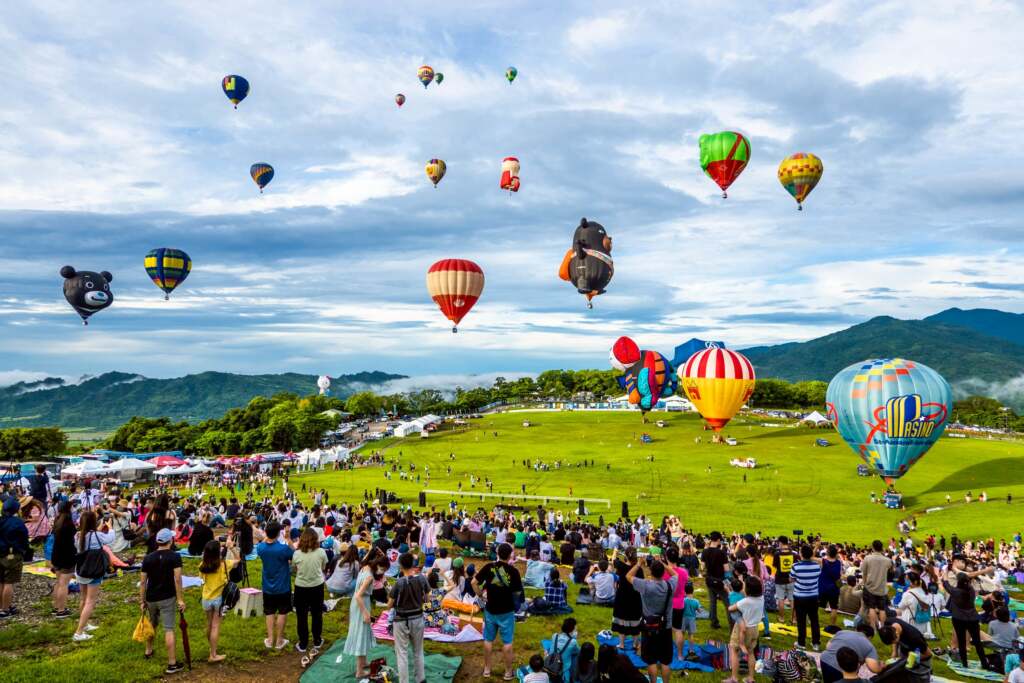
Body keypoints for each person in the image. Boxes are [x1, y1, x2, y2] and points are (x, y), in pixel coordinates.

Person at [473, 542, 524, 680]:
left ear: (497, 554)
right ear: (510, 556)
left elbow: (473, 582)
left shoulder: (489, 567)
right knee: (507, 642)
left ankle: (487, 670)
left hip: (490, 609)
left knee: (488, 639)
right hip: (506, 611)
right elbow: (518, 592)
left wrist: (480, 596)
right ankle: (508, 673)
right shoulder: (514, 572)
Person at [139, 528, 186, 675]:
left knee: (152, 624)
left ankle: (148, 650)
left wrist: (142, 600)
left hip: (151, 597)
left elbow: (142, 582)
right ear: (170, 541)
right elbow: (177, 579)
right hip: (167, 597)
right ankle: (172, 663)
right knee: (168, 629)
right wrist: (180, 599)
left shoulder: (148, 558)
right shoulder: (174, 557)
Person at [626, 557, 677, 683]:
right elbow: (675, 574)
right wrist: (663, 564)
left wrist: (638, 564)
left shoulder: (645, 585)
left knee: (651, 660)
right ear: (663, 573)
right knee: (665, 661)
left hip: (649, 627)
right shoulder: (670, 585)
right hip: (665, 627)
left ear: (650, 572)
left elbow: (628, 576)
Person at [384, 552, 429, 683]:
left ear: (400, 566)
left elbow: (389, 606)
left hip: (401, 620)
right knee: (418, 650)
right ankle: (421, 679)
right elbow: (427, 598)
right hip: (417, 618)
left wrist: (389, 594)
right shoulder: (421, 579)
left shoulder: (399, 583)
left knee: (402, 654)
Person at [73, 509, 114, 641]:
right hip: (94, 570)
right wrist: (110, 527)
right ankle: (78, 633)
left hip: (81, 570)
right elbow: (110, 539)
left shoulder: (78, 535)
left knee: (83, 599)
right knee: (90, 601)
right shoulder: (97, 535)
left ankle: (84, 625)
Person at [943, 569, 994, 670]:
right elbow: (966, 578)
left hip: (959, 619)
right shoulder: (970, 589)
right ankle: (984, 663)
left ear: (958, 582)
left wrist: (946, 572)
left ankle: (965, 663)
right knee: (978, 642)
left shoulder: (955, 591)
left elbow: (946, 584)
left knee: (961, 642)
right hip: (973, 618)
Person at [198, 537, 239, 663]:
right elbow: (238, 560)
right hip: (219, 599)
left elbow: (202, 579)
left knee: (209, 624)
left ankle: (211, 646)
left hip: (206, 598)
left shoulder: (202, 566)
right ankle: (213, 654)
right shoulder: (224, 565)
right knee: (216, 626)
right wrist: (231, 547)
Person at [257, 521, 294, 650]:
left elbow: (264, 543)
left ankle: (270, 639)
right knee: (283, 612)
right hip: (283, 585)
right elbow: (294, 554)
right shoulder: (283, 549)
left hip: (268, 585)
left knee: (269, 612)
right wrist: (288, 538)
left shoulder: (261, 548)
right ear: (279, 534)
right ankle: (279, 641)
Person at [344, 550, 379, 678]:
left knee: (362, 632)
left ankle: (363, 662)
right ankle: (359, 671)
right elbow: (359, 595)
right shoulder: (369, 576)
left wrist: (375, 548)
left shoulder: (364, 567)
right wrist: (365, 613)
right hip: (361, 604)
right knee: (361, 634)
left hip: (358, 603)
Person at [292, 527, 327, 654]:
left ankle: (303, 643)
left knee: (301, 616)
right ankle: (316, 640)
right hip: (316, 586)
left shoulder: (297, 554)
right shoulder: (321, 552)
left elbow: (295, 568)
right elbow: (323, 567)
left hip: (301, 587)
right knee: (317, 614)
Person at [726, 576, 765, 683]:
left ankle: (734, 678)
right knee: (751, 652)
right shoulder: (761, 598)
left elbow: (731, 608)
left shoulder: (745, 602)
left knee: (734, 650)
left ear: (748, 589)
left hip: (743, 629)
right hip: (755, 629)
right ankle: (750, 678)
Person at [819, 625, 884, 683]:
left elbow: (828, 646)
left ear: (856, 630)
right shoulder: (869, 646)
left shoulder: (842, 632)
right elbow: (874, 668)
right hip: (842, 669)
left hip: (824, 659)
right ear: (870, 637)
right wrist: (881, 666)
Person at [0, 496, 30, 619]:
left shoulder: (0, 520)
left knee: (1, 581)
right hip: (13, 554)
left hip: (0, 553)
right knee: (9, 583)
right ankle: (5, 609)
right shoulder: (18, 522)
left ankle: (2, 606)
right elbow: (24, 539)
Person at [612, 548, 644, 652]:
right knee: (635, 620)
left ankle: (621, 644)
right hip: (635, 597)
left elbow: (613, 560)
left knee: (621, 619)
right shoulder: (639, 569)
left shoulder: (621, 566)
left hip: (622, 597)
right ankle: (635, 643)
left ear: (626, 556)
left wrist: (615, 552)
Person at [49, 501, 76, 618]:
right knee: (64, 584)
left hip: (56, 554)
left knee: (58, 582)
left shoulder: (57, 521)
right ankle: (61, 610)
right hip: (67, 555)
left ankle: (56, 607)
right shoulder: (68, 523)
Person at [792, 544, 822, 651]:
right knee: (814, 619)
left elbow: (791, 579)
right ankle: (816, 643)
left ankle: (801, 642)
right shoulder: (816, 566)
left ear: (801, 554)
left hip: (800, 596)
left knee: (801, 620)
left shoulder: (796, 566)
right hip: (813, 596)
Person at [860, 540, 892, 628]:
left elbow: (864, 572)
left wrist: (864, 583)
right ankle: (882, 627)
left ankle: (873, 627)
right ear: (881, 548)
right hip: (881, 588)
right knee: (882, 609)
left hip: (870, 586)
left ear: (873, 547)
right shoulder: (887, 560)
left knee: (872, 608)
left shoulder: (868, 558)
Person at [701, 531, 729, 629]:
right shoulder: (721, 553)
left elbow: (702, 566)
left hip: (709, 579)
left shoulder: (705, 551)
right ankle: (732, 623)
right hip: (719, 581)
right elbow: (726, 569)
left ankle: (713, 622)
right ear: (718, 540)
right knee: (727, 602)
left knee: (712, 601)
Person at [771, 536, 797, 626]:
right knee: (792, 600)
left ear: (781, 543)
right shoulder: (794, 554)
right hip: (791, 579)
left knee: (781, 599)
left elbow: (774, 566)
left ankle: (781, 618)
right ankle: (794, 619)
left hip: (780, 579)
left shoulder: (777, 554)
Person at [547, 617, 580, 683]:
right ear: (572, 630)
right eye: (575, 629)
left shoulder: (554, 636)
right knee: (576, 656)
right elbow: (578, 651)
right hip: (562, 674)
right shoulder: (573, 642)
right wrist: (575, 638)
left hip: (549, 668)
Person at [819, 545, 843, 627]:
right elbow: (839, 576)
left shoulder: (823, 561)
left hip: (823, 588)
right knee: (834, 608)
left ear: (828, 552)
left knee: (817, 606)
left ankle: (813, 621)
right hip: (834, 589)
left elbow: (810, 557)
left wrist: (816, 547)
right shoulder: (839, 563)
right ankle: (832, 625)